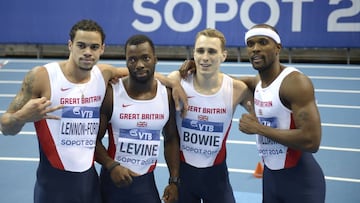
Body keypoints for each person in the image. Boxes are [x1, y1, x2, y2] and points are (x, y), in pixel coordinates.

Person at [0, 19, 186, 203]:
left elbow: (140, 71)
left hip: (89, 186)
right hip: (53, 187)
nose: (88, 52)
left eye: (94, 47)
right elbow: (5, 126)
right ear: (70, 45)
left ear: (102, 49)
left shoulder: (102, 74)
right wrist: (22, 116)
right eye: (81, 45)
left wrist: (173, 83)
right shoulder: (42, 76)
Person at [238, 24, 326, 202]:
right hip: (271, 180)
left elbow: (311, 140)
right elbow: (225, 83)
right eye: (250, 44)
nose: (255, 48)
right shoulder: (258, 82)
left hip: (302, 184)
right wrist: (195, 70)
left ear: (278, 48)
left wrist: (259, 128)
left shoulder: (295, 83)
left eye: (263, 42)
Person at [167, 28, 252, 203]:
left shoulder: (237, 89)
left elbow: (265, 110)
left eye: (212, 51)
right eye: (200, 51)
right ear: (193, 54)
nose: (205, 57)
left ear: (224, 55)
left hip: (216, 178)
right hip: (183, 176)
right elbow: (147, 78)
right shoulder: (176, 80)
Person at [95, 34, 179, 203]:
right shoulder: (111, 94)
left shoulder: (167, 95)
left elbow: (171, 139)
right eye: (132, 59)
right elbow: (92, 140)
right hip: (112, 181)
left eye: (145, 58)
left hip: (145, 184)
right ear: (126, 62)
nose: (139, 64)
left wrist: (174, 181)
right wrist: (111, 165)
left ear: (155, 59)